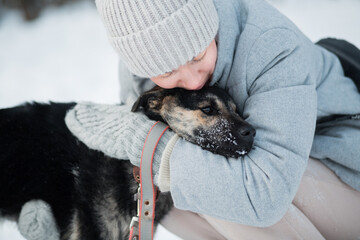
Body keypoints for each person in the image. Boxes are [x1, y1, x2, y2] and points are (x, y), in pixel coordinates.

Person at [18, 0, 360, 239]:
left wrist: (159, 150)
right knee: (165, 187)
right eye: (167, 72)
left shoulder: (272, 47)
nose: (194, 81)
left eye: (198, 54)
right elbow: (133, 174)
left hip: (343, 176)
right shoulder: (139, 71)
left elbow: (265, 194)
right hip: (281, 190)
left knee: (207, 179)